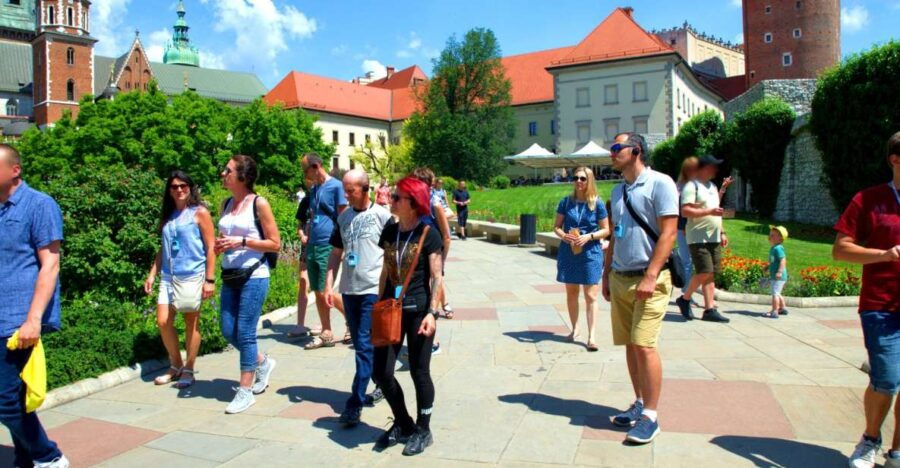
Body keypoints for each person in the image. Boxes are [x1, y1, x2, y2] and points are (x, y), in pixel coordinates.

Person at [601, 133, 678, 445]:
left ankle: (652, 416)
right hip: (620, 276)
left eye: (617, 148)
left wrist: (651, 274)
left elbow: (669, 233)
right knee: (631, 346)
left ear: (637, 151)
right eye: (612, 148)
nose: (612, 153)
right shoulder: (618, 191)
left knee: (645, 345)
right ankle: (639, 403)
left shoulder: (661, 183)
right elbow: (616, 236)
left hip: (651, 280)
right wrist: (606, 274)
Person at [0, 144, 69, 468]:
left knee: (6, 401)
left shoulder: (40, 205)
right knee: (14, 399)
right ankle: (26, 459)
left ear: (15, 170)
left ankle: (49, 456)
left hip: (18, 319)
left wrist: (33, 320)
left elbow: (50, 265)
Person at [837, 131, 900, 468]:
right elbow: (840, 249)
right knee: (887, 380)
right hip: (882, 306)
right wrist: (885, 254)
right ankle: (870, 439)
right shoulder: (869, 199)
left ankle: (897, 452)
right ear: (895, 159)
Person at [371, 177, 443, 456]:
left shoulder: (428, 232)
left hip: (418, 311)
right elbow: (386, 272)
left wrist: (432, 313)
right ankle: (403, 422)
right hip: (390, 309)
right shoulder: (390, 231)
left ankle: (424, 429)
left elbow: (437, 277)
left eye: (398, 197)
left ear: (413, 203)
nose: (392, 199)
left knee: (419, 371)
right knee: (381, 372)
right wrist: (378, 304)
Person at [323, 169, 394, 427]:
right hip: (349, 289)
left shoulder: (383, 217)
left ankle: (354, 402)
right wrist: (329, 283)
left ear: (365, 189)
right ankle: (382, 381)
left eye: (351, 190)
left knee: (363, 344)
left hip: (372, 289)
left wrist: (393, 291)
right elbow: (335, 252)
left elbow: (393, 256)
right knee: (365, 343)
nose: (346, 195)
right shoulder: (343, 218)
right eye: (345, 189)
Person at [216, 155, 280, 414]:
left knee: (245, 331)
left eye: (228, 170)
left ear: (242, 176)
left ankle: (245, 391)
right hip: (230, 275)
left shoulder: (259, 203)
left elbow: (275, 243)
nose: (223, 173)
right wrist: (220, 246)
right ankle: (262, 362)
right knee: (228, 330)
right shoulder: (226, 203)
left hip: (254, 275)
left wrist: (241, 243)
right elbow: (225, 238)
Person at [143, 171, 216, 388]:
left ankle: (190, 368)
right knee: (163, 321)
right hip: (168, 276)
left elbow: (211, 246)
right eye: (174, 186)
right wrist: (152, 273)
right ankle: (176, 364)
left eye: (183, 185)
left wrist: (210, 279)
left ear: (190, 187)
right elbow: (163, 248)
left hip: (192, 274)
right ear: (169, 190)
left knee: (190, 322)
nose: (179, 190)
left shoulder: (199, 212)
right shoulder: (169, 214)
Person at [553, 167, 610, 351]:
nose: (578, 181)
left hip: (590, 252)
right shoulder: (566, 202)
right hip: (569, 251)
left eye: (583, 179)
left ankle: (591, 336)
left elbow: (606, 229)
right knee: (571, 292)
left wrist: (590, 236)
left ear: (590, 181)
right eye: (576, 178)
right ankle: (575, 328)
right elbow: (557, 226)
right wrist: (564, 236)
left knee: (591, 294)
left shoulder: (597, 203)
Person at [674, 155, 732, 323]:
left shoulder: (713, 186)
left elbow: (715, 210)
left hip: (713, 235)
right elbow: (685, 211)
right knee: (704, 271)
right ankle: (684, 299)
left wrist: (722, 232)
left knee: (710, 274)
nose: (716, 170)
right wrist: (709, 213)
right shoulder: (692, 187)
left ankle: (709, 309)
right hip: (697, 237)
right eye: (713, 167)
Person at [301, 153, 349, 349]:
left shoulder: (336, 186)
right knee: (317, 290)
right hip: (313, 244)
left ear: (316, 166)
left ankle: (350, 321)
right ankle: (326, 331)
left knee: (324, 290)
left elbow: (343, 216)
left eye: (305, 170)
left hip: (328, 244)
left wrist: (344, 245)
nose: (304, 174)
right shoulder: (315, 189)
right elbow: (312, 216)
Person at [412, 168, 453, 325]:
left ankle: (434, 311)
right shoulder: (414, 202)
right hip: (419, 247)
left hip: (434, 249)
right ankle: (444, 304)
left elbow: (447, 236)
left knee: (435, 278)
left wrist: (442, 259)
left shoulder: (435, 203)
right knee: (431, 279)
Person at [288, 176, 319, 338]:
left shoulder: (324, 199)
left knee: (321, 287)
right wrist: (302, 235)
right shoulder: (305, 201)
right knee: (303, 282)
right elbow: (299, 225)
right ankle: (300, 324)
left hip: (322, 246)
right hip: (307, 246)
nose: (311, 183)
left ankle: (348, 322)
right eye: (308, 181)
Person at [675, 157, 699, 299]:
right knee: (687, 261)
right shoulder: (681, 187)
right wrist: (683, 226)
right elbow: (680, 209)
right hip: (683, 228)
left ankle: (687, 292)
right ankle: (686, 293)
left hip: (695, 228)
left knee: (692, 261)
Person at [765, 225, 789, 319]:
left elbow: (783, 260)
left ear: (780, 239)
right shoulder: (773, 248)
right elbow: (773, 261)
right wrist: (767, 266)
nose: (770, 237)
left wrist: (779, 271)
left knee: (775, 293)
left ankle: (774, 311)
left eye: (773, 235)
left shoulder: (778, 248)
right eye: (770, 235)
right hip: (775, 275)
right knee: (777, 292)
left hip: (779, 275)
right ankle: (783, 308)